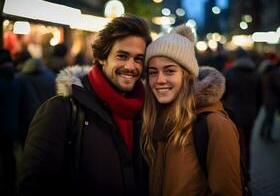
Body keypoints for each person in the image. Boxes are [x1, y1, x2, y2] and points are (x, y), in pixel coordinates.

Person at [18, 14, 152, 196]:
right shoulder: (62, 110)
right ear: (103, 57)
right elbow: (33, 186)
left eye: (138, 59)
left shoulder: (145, 112)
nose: (130, 66)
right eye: (122, 56)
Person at [141, 25, 242, 196]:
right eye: (153, 72)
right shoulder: (156, 118)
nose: (159, 80)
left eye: (169, 71)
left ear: (187, 76)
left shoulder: (215, 126)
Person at [222, 47, 262, 169]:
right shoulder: (256, 74)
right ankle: (246, 172)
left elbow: (223, 95)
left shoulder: (228, 73)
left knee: (235, 145)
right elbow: (260, 98)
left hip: (233, 114)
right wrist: (255, 113)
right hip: (250, 114)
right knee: (247, 144)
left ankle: (236, 173)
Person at [0, 49, 21, 196]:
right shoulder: (18, 79)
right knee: (10, 155)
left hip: (1, 124)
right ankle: (11, 182)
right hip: (13, 124)